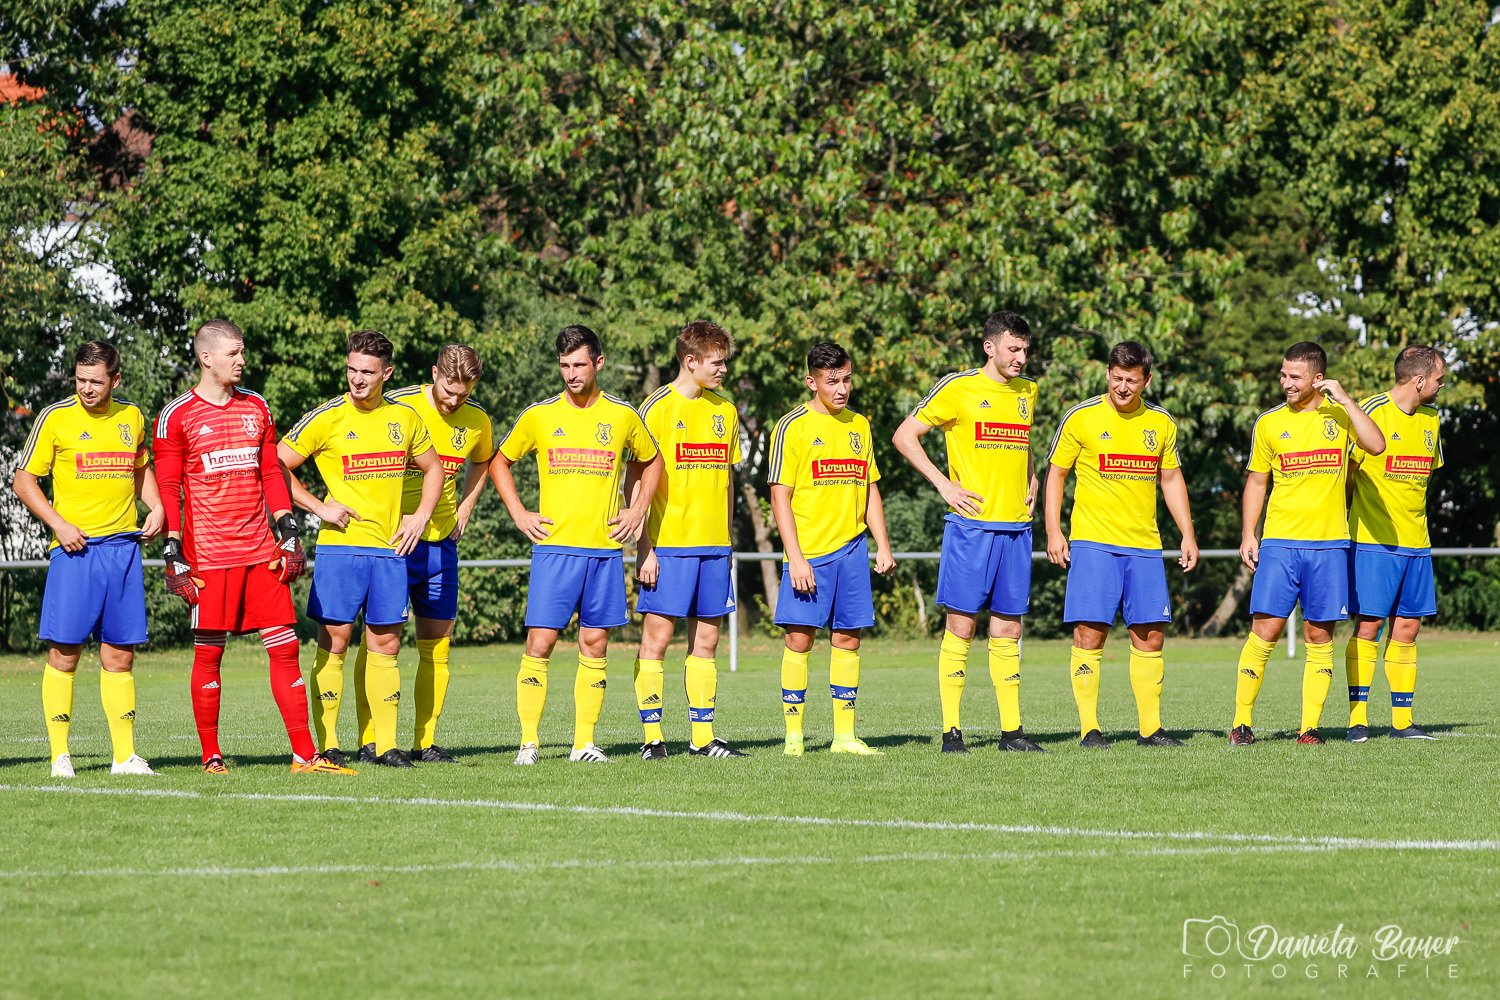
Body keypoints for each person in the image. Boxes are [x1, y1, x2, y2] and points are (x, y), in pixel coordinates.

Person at [154, 319, 354, 774]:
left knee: (286, 648)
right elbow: (169, 487)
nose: (242, 361)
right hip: (209, 558)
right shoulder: (176, 415)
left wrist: (288, 530)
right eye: (233, 354)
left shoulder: (257, 406)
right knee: (209, 653)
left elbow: (270, 472)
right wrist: (173, 548)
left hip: (262, 553)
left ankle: (305, 755)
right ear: (206, 358)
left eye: (242, 352)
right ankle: (211, 756)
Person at [491, 325, 661, 764]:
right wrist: (519, 513)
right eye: (564, 365)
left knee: (595, 645)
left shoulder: (622, 414)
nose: (571, 373)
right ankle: (529, 743)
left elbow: (653, 459)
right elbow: (499, 462)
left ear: (598, 363)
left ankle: (583, 744)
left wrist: (638, 510)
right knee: (540, 644)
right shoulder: (539, 415)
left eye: (579, 364)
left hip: (604, 551)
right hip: (555, 550)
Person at [277, 330, 444, 768]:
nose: (357, 378)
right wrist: (318, 507)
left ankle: (385, 746)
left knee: (386, 645)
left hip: (391, 551)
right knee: (335, 641)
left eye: (367, 372)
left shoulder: (405, 418)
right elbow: (274, 464)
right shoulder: (327, 417)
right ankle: (328, 744)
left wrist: (420, 516)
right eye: (352, 369)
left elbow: (434, 469)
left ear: (386, 373)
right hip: (341, 550)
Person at [892, 310, 1043, 754]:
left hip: (1016, 528)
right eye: (1013, 349)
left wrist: (1032, 476)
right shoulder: (958, 387)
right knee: (961, 626)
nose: (1021, 358)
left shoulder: (1028, 391)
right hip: (972, 528)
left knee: (1009, 630)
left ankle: (1012, 734)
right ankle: (951, 732)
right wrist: (944, 485)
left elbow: (1022, 442)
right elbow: (904, 436)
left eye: (1025, 350)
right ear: (989, 347)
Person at [12, 340, 165, 776]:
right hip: (75, 552)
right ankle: (60, 756)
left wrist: (156, 506)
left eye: (96, 381)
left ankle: (124, 757)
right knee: (65, 654)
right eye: (80, 379)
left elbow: (140, 468)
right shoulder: (55, 417)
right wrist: (59, 525)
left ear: (115, 379)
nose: (86, 388)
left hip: (123, 550)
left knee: (120, 656)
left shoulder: (132, 416)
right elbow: (23, 481)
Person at [1044, 341, 1199, 749]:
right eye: (1116, 378)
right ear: (1107, 374)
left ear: (1146, 380)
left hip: (1145, 546)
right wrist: (1054, 531)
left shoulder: (1161, 423)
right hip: (1094, 542)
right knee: (1089, 634)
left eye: (1131, 380)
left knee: (1151, 637)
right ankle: (1089, 730)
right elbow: (1056, 474)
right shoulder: (1081, 416)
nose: (1123, 387)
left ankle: (1151, 730)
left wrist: (1187, 533)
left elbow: (1171, 479)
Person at [1230, 340, 1385, 745]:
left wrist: (1346, 399)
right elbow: (1257, 482)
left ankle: (1308, 729)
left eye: (1295, 376)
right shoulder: (1268, 423)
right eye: (1283, 375)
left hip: (1330, 545)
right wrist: (1248, 533)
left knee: (1320, 637)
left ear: (1318, 379)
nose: (1286, 382)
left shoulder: (1341, 415)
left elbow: (1376, 445)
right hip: (1280, 543)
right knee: (1265, 631)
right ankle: (1241, 724)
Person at [351, 345, 493, 764]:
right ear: (434, 373)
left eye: (463, 394)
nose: (453, 401)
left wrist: (466, 507)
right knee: (380, 643)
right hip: (391, 542)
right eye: (448, 391)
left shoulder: (477, 419)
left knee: (437, 644)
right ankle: (370, 740)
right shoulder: (398, 406)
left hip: (439, 544)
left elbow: (483, 461)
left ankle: (424, 742)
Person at [769, 342, 897, 756]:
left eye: (847, 380)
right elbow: (780, 496)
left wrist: (882, 544)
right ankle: (794, 736)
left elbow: (869, 488)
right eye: (832, 381)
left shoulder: (860, 425)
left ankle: (844, 737)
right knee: (799, 641)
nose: (841, 389)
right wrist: (796, 558)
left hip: (852, 550)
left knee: (848, 640)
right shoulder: (792, 427)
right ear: (812, 382)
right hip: (809, 554)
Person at [632, 321, 746, 759]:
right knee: (656, 643)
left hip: (714, 548)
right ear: (690, 360)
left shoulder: (726, 411)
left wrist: (728, 541)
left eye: (724, 362)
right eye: (716, 363)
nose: (723, 370)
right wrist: (644, 547)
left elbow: (728, 482)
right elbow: (636, 481)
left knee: (707, 644)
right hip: (668, 546)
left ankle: (703, 738)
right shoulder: (656, 408)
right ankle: (653, 739)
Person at [1346, 345, 1445, 741]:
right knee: (1369, 625)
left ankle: (1402, 722)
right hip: (1373, 542)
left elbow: (1426, 477)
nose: (1441, 386)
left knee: (1407, 627)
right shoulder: (1371, 411)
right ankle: (1357, 721)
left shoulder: (1432, 419)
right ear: (1419, 381)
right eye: (1439, 380)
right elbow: (1346, 474)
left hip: (1417, 543)